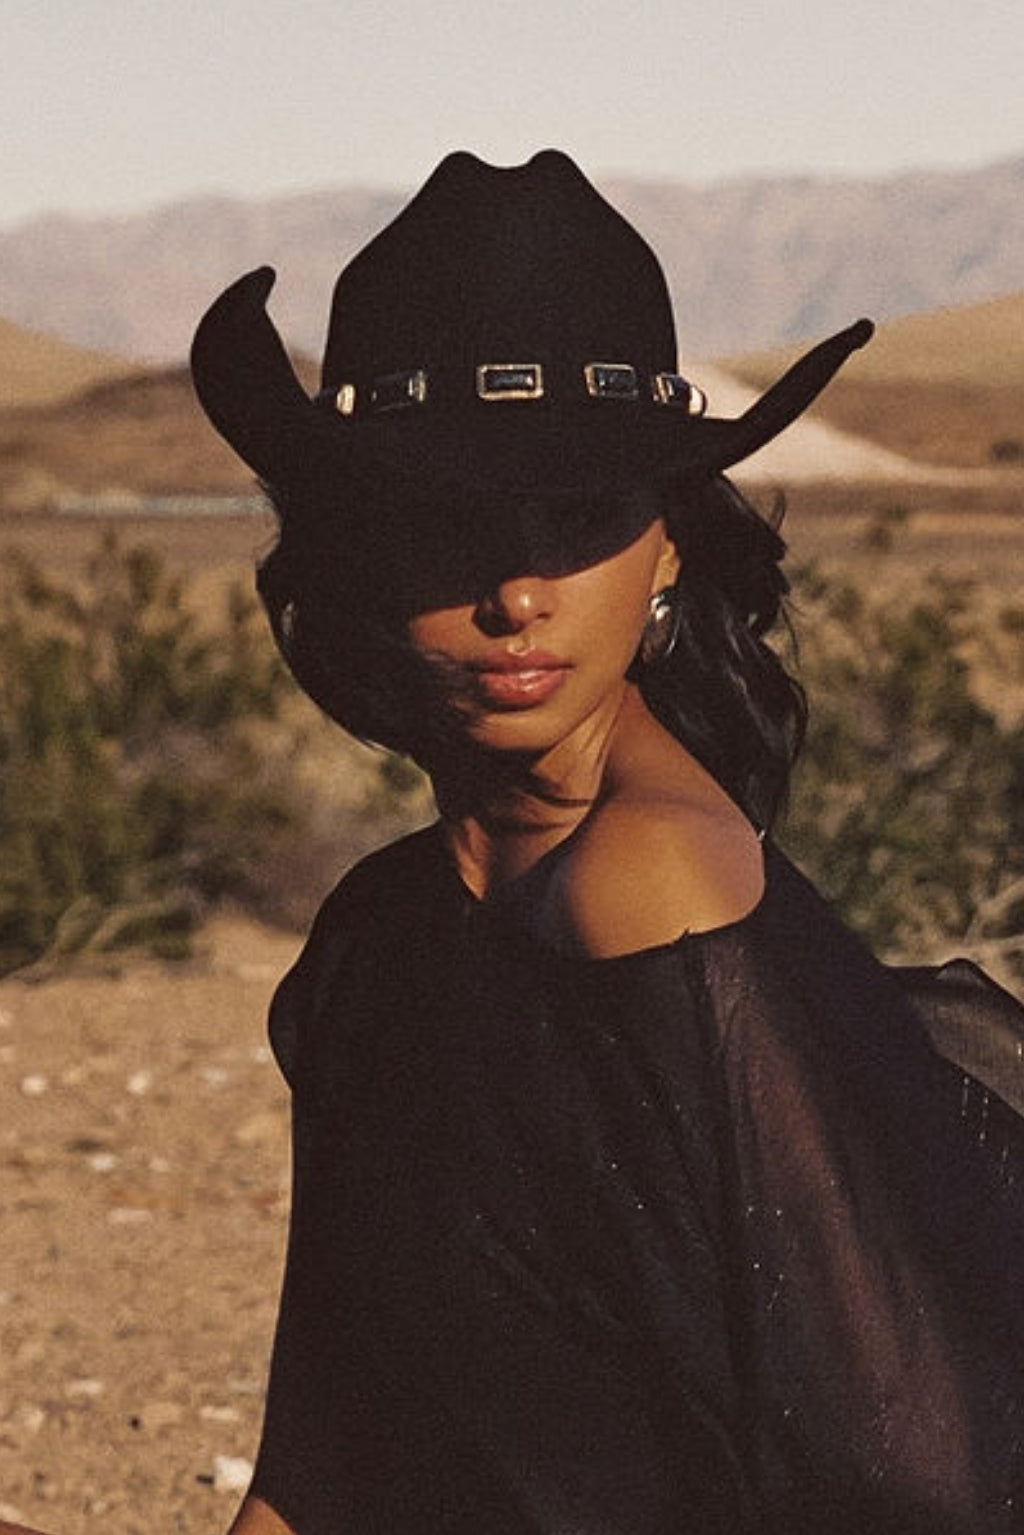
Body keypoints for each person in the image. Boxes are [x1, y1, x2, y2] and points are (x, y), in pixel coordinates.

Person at [188, 150, 1024, 1534]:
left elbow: (921, 1476)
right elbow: (317, 1474)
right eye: (449, 524)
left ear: (669, 550)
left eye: (577, 519)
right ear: (358, 554)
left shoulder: (654, 884)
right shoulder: (379, 939)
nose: (519, 592)